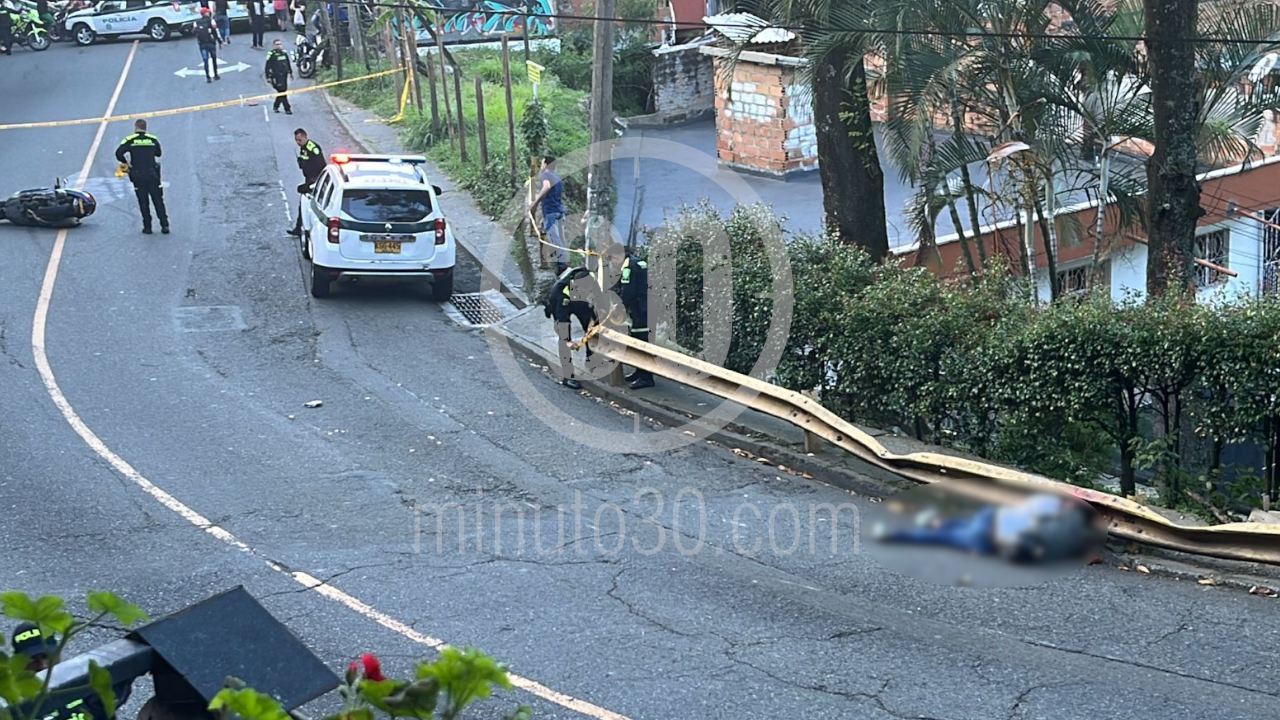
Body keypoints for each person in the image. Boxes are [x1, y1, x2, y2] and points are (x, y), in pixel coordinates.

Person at [872, 492, 1102, 564]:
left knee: (957, 529)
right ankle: (897, 534)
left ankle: (921, 524)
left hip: (993, 521)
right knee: (948, 536)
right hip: (990, 535)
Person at [11, 623, 135, 720]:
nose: (43, 666)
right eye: (33, 660)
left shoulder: (85, 681)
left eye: (47, 656)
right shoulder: (11, 701)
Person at [544, 266, 603, 390]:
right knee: (564, 339)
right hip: (563, 304)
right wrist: (568, 341)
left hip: (580, 301)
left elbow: (599, 296)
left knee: (592, 328)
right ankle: (567, 376)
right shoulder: (561, 292)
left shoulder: (591, 279)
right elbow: (562, 320)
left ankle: (591, 358)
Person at [604, 242, 654, 389]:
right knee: (639, 341)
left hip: (643, 309)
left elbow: (628, 292)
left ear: (619, 255)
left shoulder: (628, 268)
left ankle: (646, 377)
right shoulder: (637, 261)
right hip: (649, 306)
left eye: (612, 258)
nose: (612, 262)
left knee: (642, 343)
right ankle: (639, 372)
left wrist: (618, 307)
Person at [115, 119, 169, 235]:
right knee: (158, 200)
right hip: (152, 174)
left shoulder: (130, 140)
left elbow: (118, 153)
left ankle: (147, 227)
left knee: (143, 201)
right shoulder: (152, 139)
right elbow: (158, 153)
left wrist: (126, 162)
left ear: (135, 127)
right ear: (145, 127)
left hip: (138, 174)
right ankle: (164, 225)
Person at [528, 156, 569, 275]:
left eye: (542, 163)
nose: (541, 166)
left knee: (555, 239)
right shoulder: (557, 177)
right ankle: (562, 264)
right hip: (559, 211)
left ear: (546, 164)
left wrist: (534, 203)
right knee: (560, 238)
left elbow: (546, 187)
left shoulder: (545, 175)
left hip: (551, 211)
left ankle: (563, 266)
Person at [287, 128, 325, 237]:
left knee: (312, 205)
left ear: (305, 137)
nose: (298, 143)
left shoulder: (313, 148)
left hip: (315, 180)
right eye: (296, 140)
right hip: (309, 179)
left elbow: (320, 165)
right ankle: (299, 228)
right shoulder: (303, 148)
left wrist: (313, 182)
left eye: (299, 140)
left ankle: (306, 229)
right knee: (303, 204)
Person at [194, 7, 224, 83]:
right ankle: (216, 75)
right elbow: (215, 32)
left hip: (202, 44)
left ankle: (208, 77)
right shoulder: (211, 21)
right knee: (214, 59)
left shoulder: (197, 22)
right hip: (211, 43)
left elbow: (194, 32)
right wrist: (220, 42)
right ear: (205, 13)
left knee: (205, 60)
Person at [264, 39, 293, 114]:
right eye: (277, 44)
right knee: (282, 91)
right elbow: (267, 66)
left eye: (280, 44)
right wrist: (268, 77)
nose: (279, 46)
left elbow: (287, 63)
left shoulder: (284, 53)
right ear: (274, 46)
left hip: (284, 76)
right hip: (276, 76)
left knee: (282, 92)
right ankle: (287, 108)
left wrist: (290, 72)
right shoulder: (271, 54)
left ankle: (276, 106)